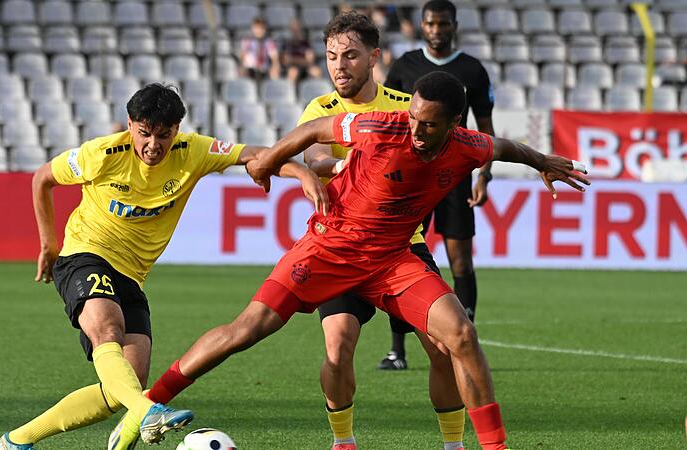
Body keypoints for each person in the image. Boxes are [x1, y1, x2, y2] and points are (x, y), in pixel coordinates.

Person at [113, 71, 590, 450]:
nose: (416, 130)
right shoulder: (380, 127)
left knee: (461, 335)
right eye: (414, 119)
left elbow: (504, 147)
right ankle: (148, 405)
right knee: (246, 330)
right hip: (328, 249)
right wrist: (268, 161)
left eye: (429, 124)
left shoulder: (468, 146)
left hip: (392, 261)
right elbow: (316, 128)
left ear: (454, 124)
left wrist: (542, 160)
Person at [0, 83, 326, 450]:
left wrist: (302, 174)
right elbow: (43, 178)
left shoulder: (193, 151)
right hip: (85, 254)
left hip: (131, 275)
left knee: (123, 387)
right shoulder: (102, 153)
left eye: (164, 135)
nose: (153, 145)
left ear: (176, 131)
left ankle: (15, 441)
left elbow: (256, 155)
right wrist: (49, 244)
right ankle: (148, 411)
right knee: (107, 331)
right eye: (144, 134)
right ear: (130, 125)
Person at [299, 11, 468, 450]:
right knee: (338, 348)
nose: (339, 65)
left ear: (373, 57)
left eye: (350, 56)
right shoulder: (321, 108)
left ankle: (454, 444)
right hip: (341, 247)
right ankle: (343, 442)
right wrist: (344, 164)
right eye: (332, 56)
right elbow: (314, 158)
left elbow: (443, 150)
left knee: (444, 349)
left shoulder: (404, 105)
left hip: (401, 248)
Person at [380, 0, 496, 371]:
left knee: (460, 259)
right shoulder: (405, 66)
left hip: (456, 177)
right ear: (423, 26)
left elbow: (486, 126)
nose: (436, 29)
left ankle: (467, 342)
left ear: (454, 26)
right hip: (412, 179)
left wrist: (484, 174)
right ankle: (397, 349)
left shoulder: (472, 70)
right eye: (430, 23)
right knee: (404, 255)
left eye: (443, 24)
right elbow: (387, 119)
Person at [281, 18, 322, 82]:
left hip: (305, 68)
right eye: (293, 29)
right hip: (291, 68)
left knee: (316, 71)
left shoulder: (306, 44)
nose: (295, 31)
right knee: (293, 72)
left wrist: (293, 59)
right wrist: (302, 60)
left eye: (297, 29)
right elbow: (285, 61)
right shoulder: (287, 45)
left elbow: (310, 61)